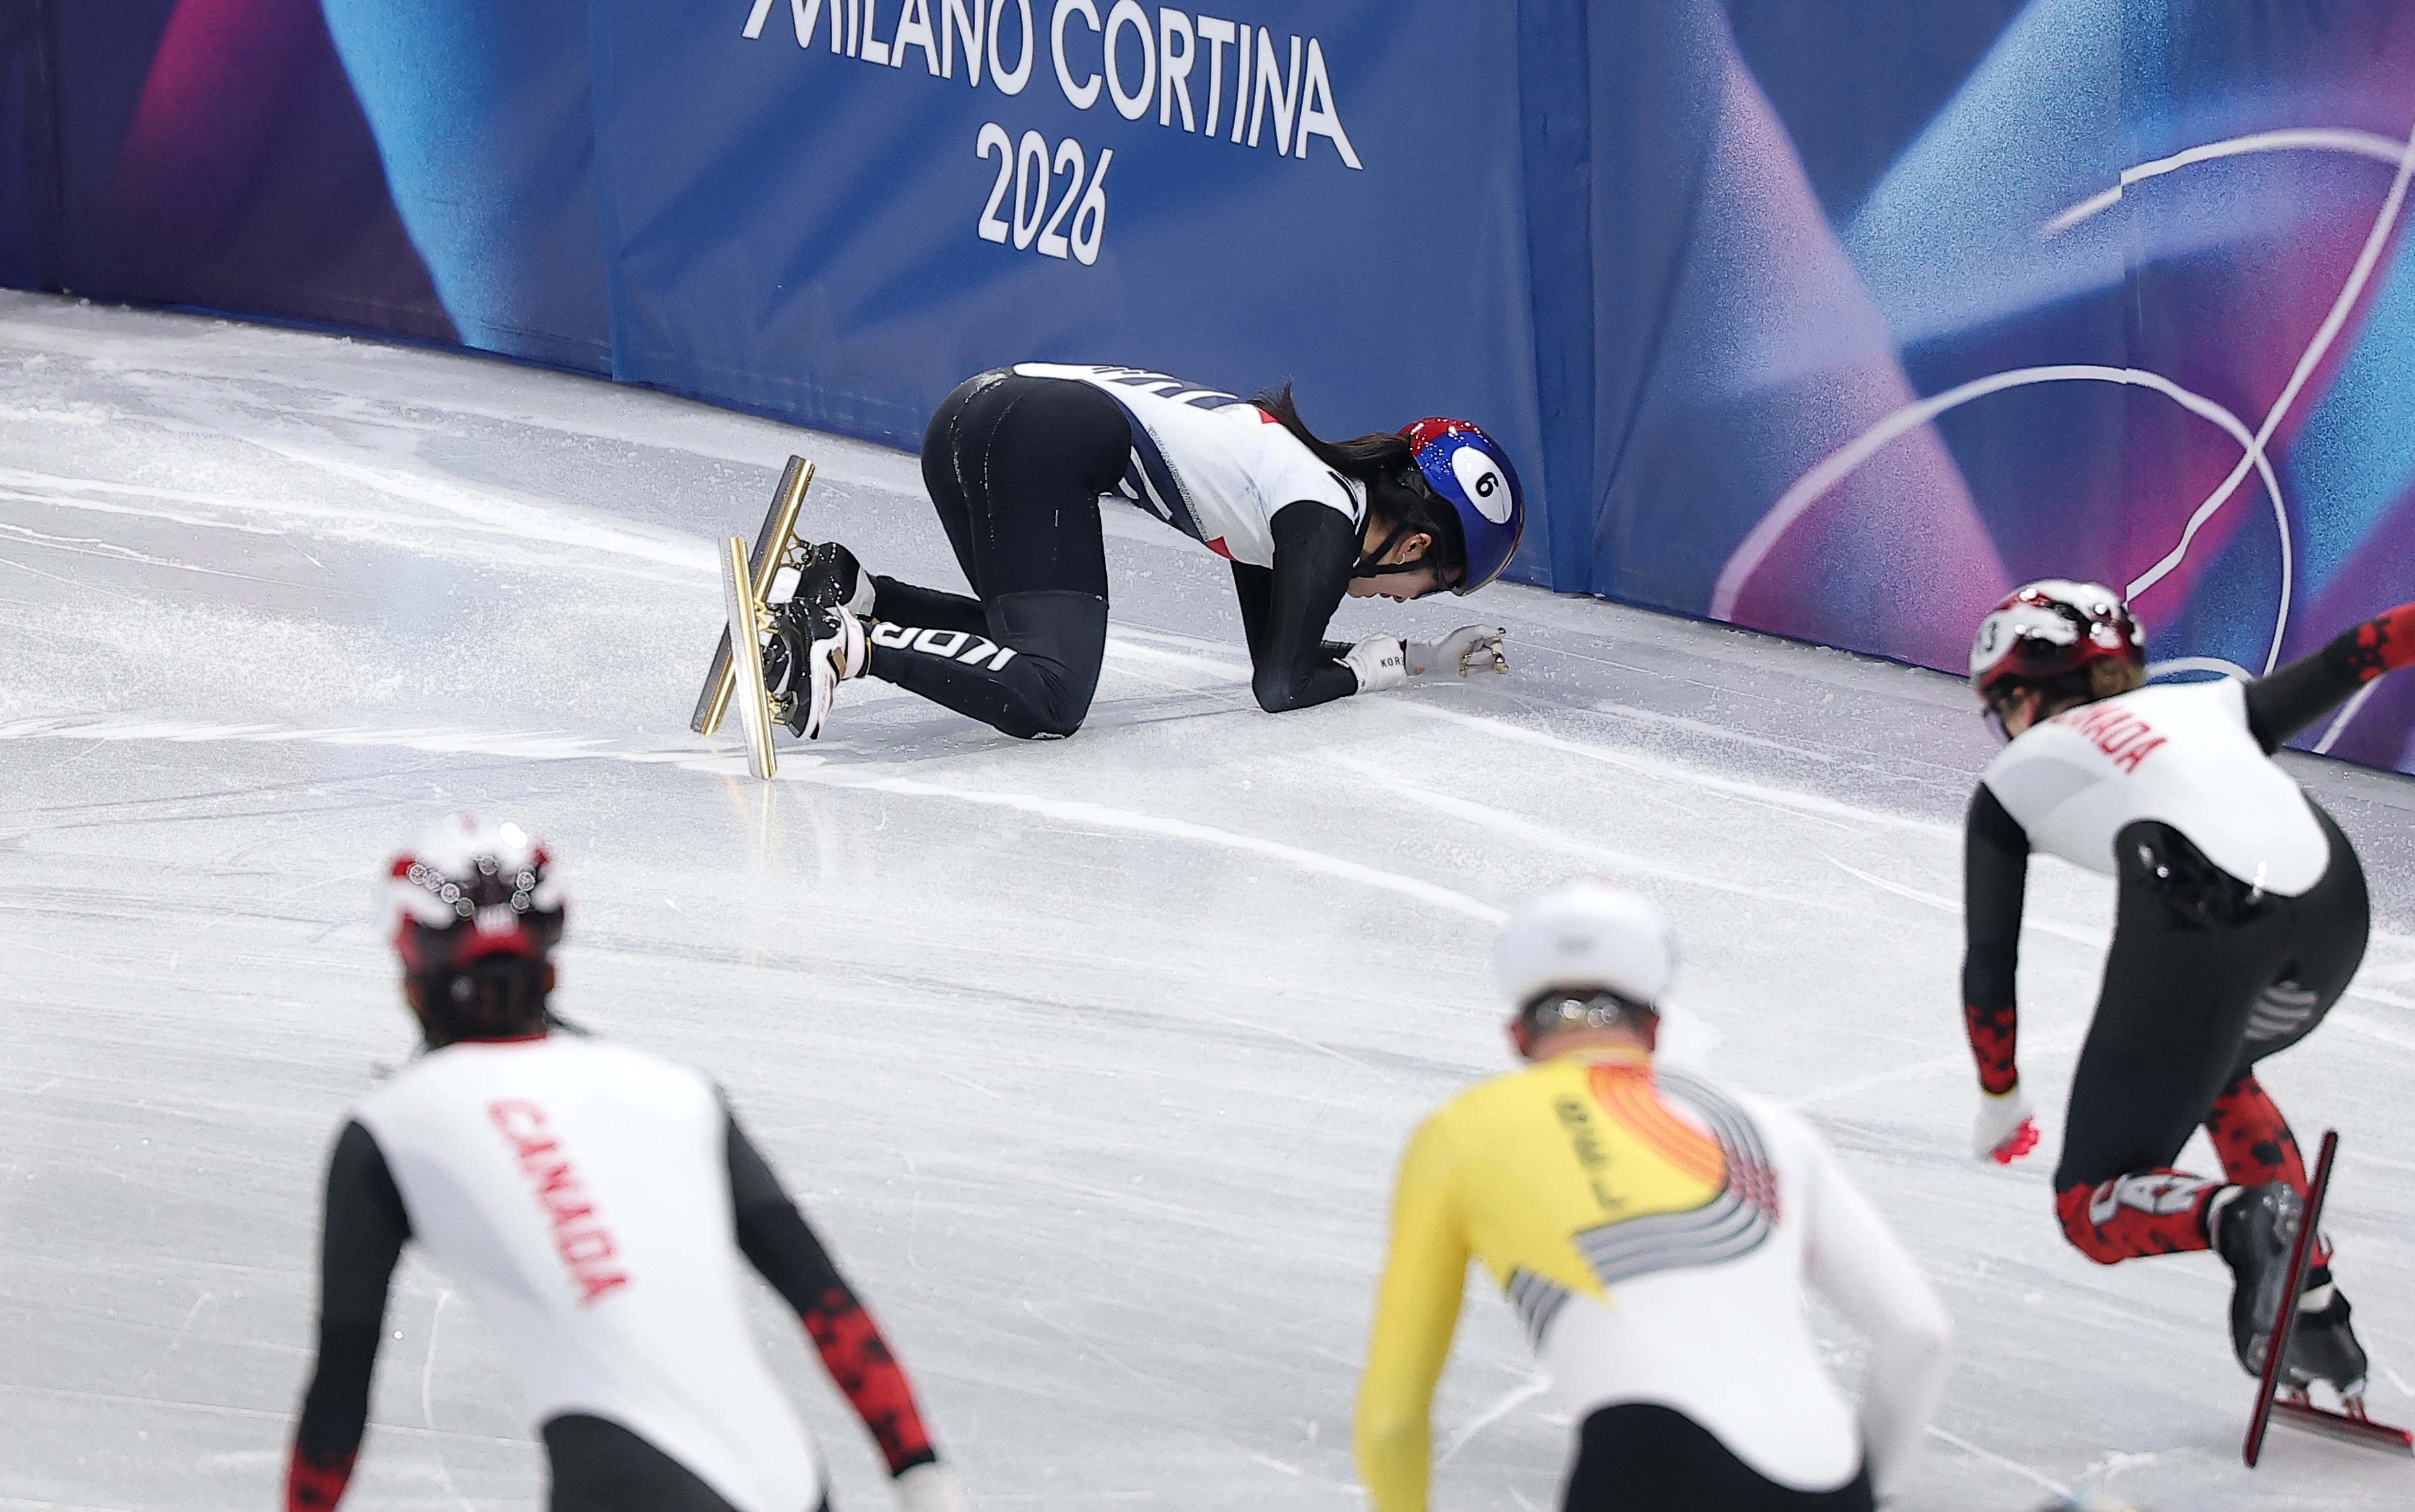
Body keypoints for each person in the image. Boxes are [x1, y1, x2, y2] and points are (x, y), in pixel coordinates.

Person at [1958, 547, 2415, 1402]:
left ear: (2022, 692)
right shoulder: (2210, 702)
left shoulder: (2008, 783)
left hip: (2208, 918)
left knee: (2089, 1205)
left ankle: (2239, 1219)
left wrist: (2001, 1094)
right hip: (2335, 911)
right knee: (2219, 1068)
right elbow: (2357, 654)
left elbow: (1991, 964)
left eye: (2002, 705)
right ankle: (2320, 1318)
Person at [284, 813, 967, 1512]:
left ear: (410, 973)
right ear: (554, 958)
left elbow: (341, 1386)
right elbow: (829, 1305)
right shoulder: (678, 1094)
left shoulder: (391, 1131)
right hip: (788, 1481)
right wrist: (923, 1474)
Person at [1355, 882, 1952, 1512]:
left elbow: (1392, 1418)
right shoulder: (1770, 1131)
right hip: (1827, 1475)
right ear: (1657, 1028)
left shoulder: (1462, 1133)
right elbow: (1920, 1335)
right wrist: (1870, 1493)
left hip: (1650, 1466)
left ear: (1516, 1037)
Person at [761, 363, 1523, 741]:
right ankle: (844, 647)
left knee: (1017, 651)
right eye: (1430, 585)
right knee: (1054, 695)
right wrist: (1386, 670)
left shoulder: (1310, 492)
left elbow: (1283, 649)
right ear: (1419, 543)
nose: (1405, 598)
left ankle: (854, 593)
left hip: (978, 407)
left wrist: (1427, 659)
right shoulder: (1324, 521)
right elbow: (1283, 687)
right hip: (1037, 437)